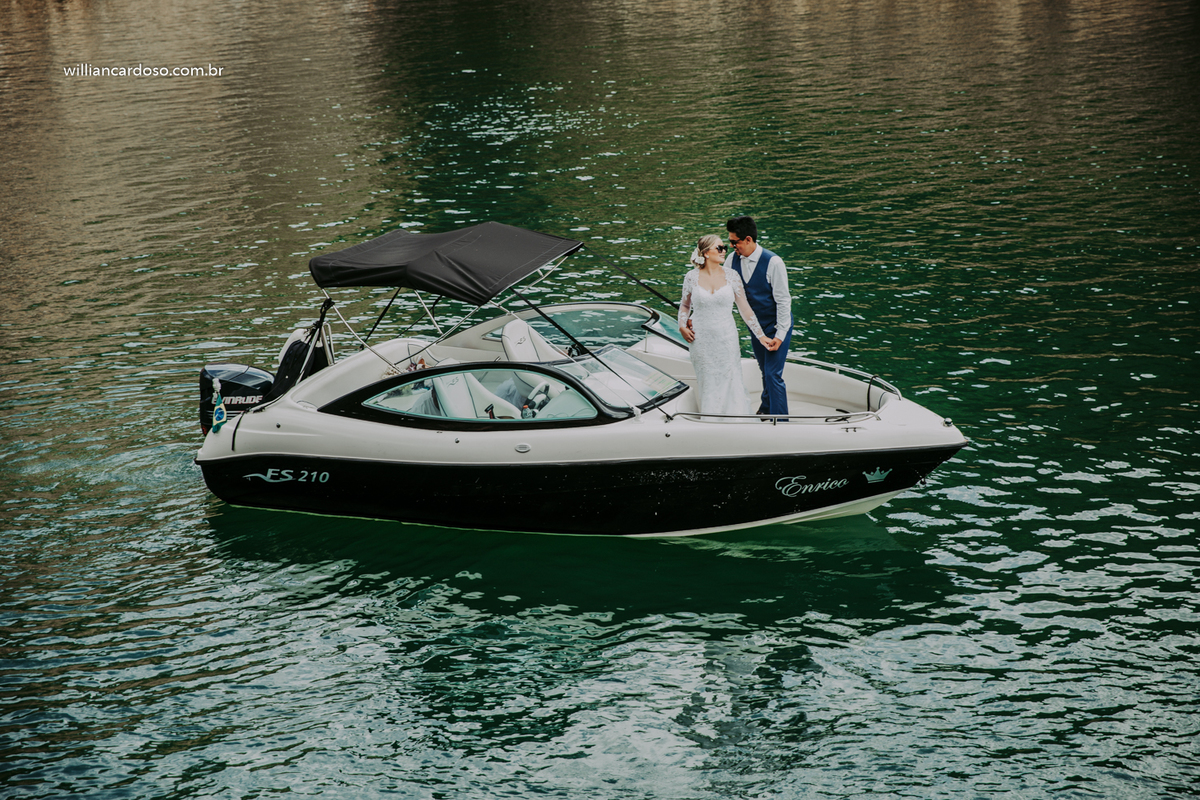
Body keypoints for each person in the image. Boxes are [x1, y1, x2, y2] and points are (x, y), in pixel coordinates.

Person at [678, 234, 777, 418]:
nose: (724, 251)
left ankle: (736, 421)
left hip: (726, 338)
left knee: (731, 380)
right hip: (701, 340)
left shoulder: (732, 276)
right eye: (719, 248)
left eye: (724, 247)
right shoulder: (691, 277)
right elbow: (685, 305)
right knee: (708, 381)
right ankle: (710, 420)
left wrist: (761, 335)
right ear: (706, 253)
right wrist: (682, 326)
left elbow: (745, 308)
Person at [723, 216, 792, 416]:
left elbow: (783, 301)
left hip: (777, 325)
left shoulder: (774, 262)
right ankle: (766, 409)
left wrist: (780, 335)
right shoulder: (731, 260)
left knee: (773, 374)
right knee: (764, 370)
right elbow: (722, 291)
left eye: (734, 242)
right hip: (756, 328)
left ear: (748, 239)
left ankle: (781, 421)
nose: (731, 246)